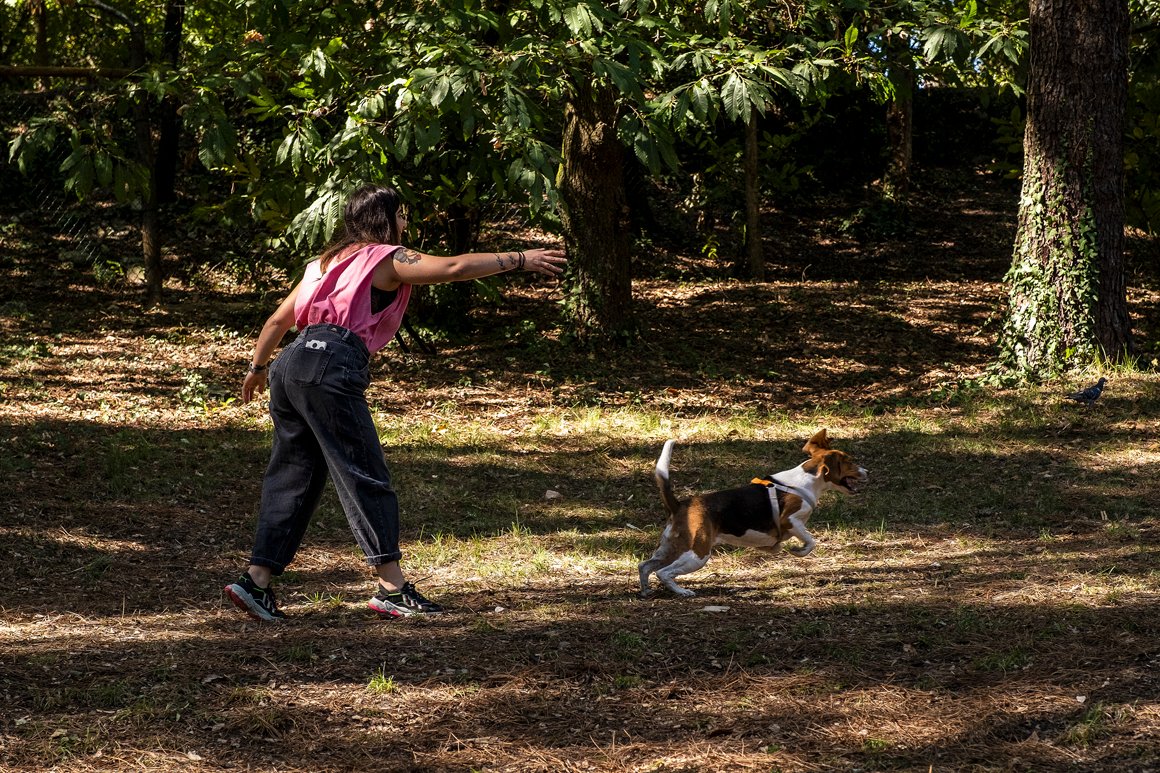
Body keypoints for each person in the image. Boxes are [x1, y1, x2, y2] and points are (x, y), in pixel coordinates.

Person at [224, 184, 567, 622]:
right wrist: (520, 258)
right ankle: (392, 588)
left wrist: (257, 368)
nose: (405, 224)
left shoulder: (323, 263)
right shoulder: (386, 258)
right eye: (401, 216)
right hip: (331, 364)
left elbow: (277, 320)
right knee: (363, 473)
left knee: (293, 475)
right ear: (383, 218)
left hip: (288, 366)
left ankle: (257, 582)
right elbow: (454, 267)